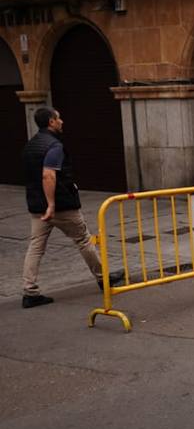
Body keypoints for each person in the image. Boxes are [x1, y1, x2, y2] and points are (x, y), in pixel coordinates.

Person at [21, 106, 122, 308]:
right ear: (51, 121)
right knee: (83, 240)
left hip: (36, 206)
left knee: (36, 246)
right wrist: (51, 204)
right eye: (58, 118)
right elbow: (48, 175)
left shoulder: (31, 145)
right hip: (60, 205)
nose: (62, 121)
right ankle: (104, 279)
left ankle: (29, 291)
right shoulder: (54, 146)